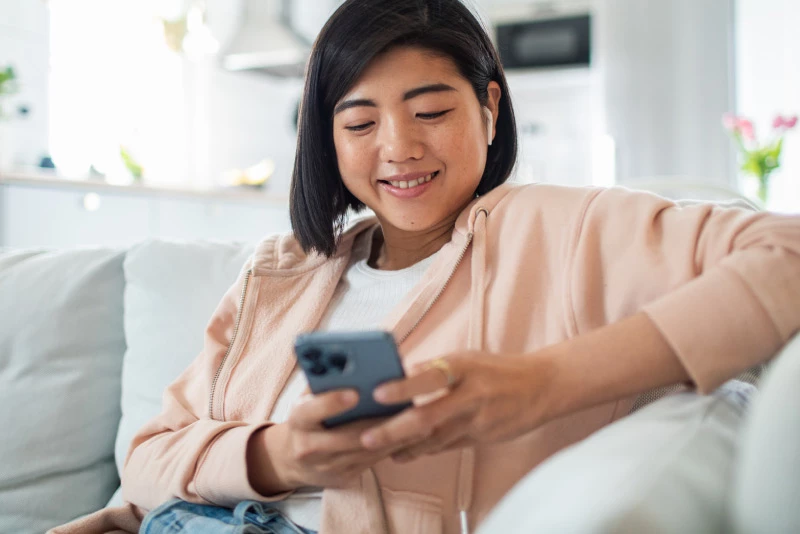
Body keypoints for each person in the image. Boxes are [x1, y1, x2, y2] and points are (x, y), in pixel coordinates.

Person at [50, 0, 800, 533]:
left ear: (491, 110)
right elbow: (147, 459)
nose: (398, 146)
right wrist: (282, 454)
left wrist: (546, 383)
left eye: (431, 111)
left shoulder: (566, 229)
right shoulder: (280, 273)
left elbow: (789, 255)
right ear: (328, 137)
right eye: (360, 122)